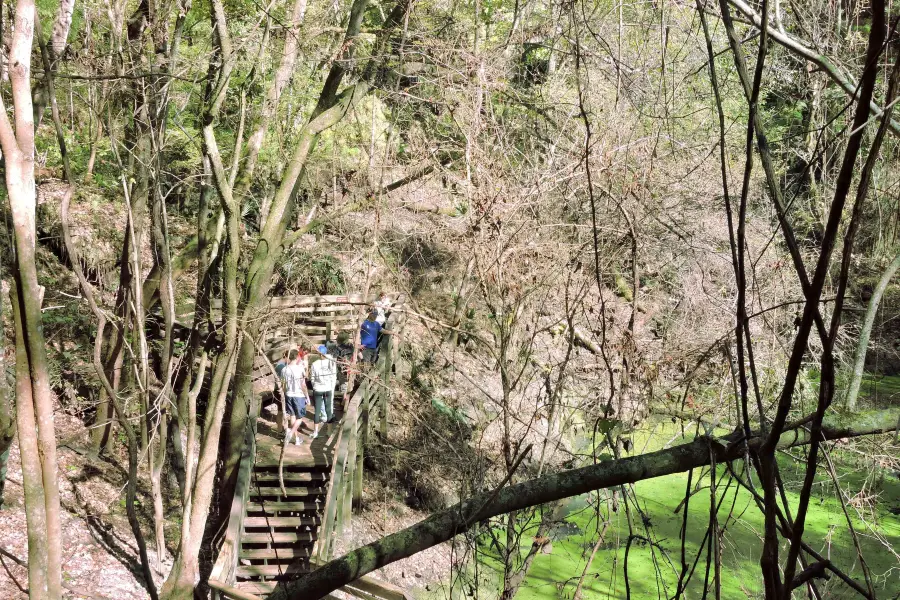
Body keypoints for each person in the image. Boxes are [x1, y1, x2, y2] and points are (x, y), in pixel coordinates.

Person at [281, 349, 309, 446]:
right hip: (299, 395)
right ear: (297, 357)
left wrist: (284, 393)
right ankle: (291, 433)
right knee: (300, 417)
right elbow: (303, 385)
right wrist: (307, 396)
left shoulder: (284, 369)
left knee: (292, 416)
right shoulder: (300, 368)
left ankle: (297, 439)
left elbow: (283, 385)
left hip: (288, 394)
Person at [310, 344, 338, 437]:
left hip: (318, 389)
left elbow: (312, 378)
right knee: (328, 410)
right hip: (327, 389)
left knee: (317, 410)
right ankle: (329, 431)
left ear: (319, 354)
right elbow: (333, 375)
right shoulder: (331, 363)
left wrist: (314, 386)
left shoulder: (314, 364)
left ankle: (315, 432)